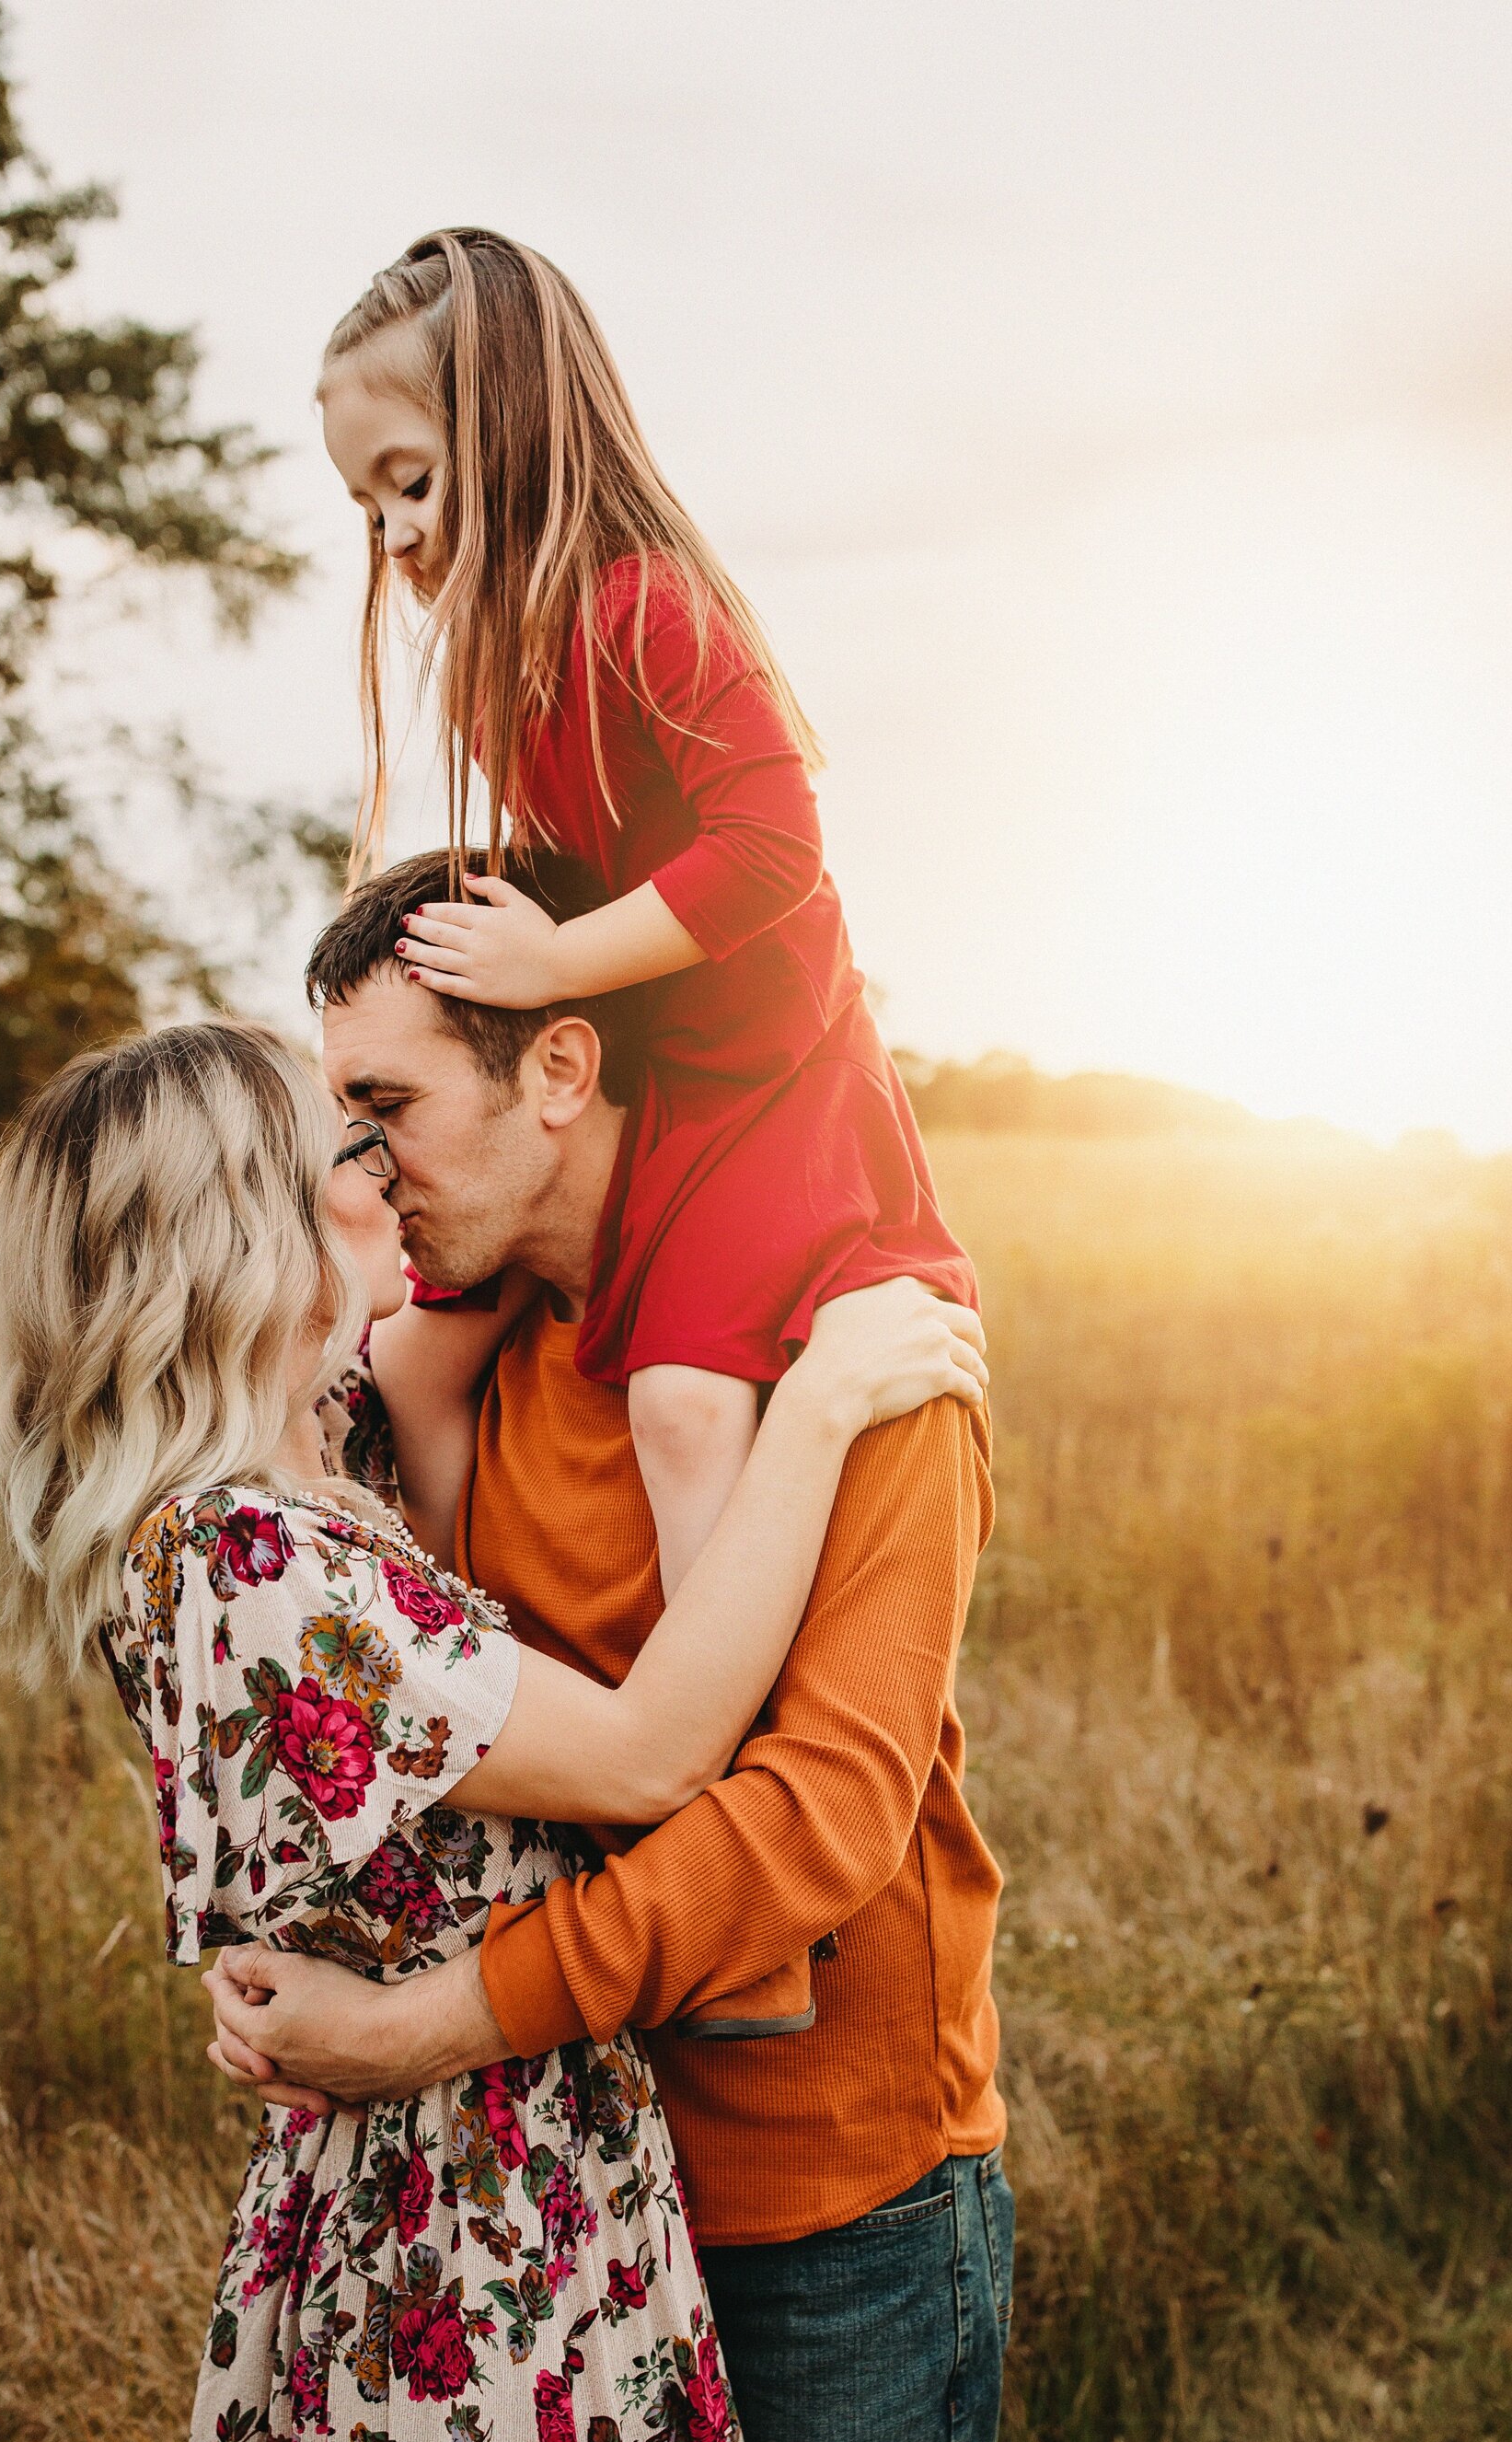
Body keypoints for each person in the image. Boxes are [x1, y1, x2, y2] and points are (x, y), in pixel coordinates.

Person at [0, 1019, 986, 2442]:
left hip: (524, 2193)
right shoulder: (257, 1563)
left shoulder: (294, 1483)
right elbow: (665, 1751)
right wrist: (817, 1400)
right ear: (253, 1239)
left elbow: (487, 1230)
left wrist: (538, 1091)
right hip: (459, 2241)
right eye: (346, 1151)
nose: (384, 1171)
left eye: (385, 1125)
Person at [206, 891, 1014, 2442]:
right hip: (561, 2223)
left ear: (560, 1064)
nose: (360, 1161)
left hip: (828, 2209)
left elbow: (811, 1822)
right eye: (340, 1112)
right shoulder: (467, 1359)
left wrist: (423, 2028)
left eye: (387, 1100)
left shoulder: (866, 1348)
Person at [317, 226, 976, 1612]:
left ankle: (705, 1735)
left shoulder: (647, 612)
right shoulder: (506, 673)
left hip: (770, 1080)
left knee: (681, 1405)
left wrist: (552, 961)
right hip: (653, 1067)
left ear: (516, 429)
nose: (397, 536)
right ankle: (464, 1655)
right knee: (417, 1364)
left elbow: (774, 848)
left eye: (415, 483)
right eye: (370, 509)